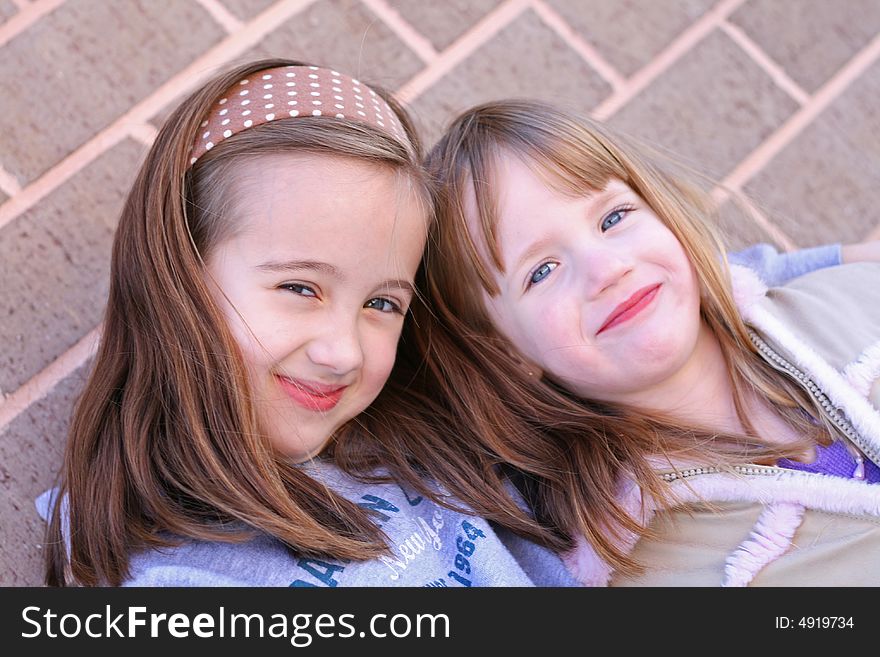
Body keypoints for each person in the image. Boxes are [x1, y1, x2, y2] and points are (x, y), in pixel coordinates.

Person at [40, 60, 584, 587]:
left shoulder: (426, 449)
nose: (343, 353)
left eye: (381, 304)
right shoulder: (177, 583)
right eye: (300, 288)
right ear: (178, 277)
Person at [420, 99, 880, 586]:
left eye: (614, 218)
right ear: (507, 355)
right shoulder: (655, 570)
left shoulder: (853, 300)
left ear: (666, 215)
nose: (607, 269)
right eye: (542, 271)